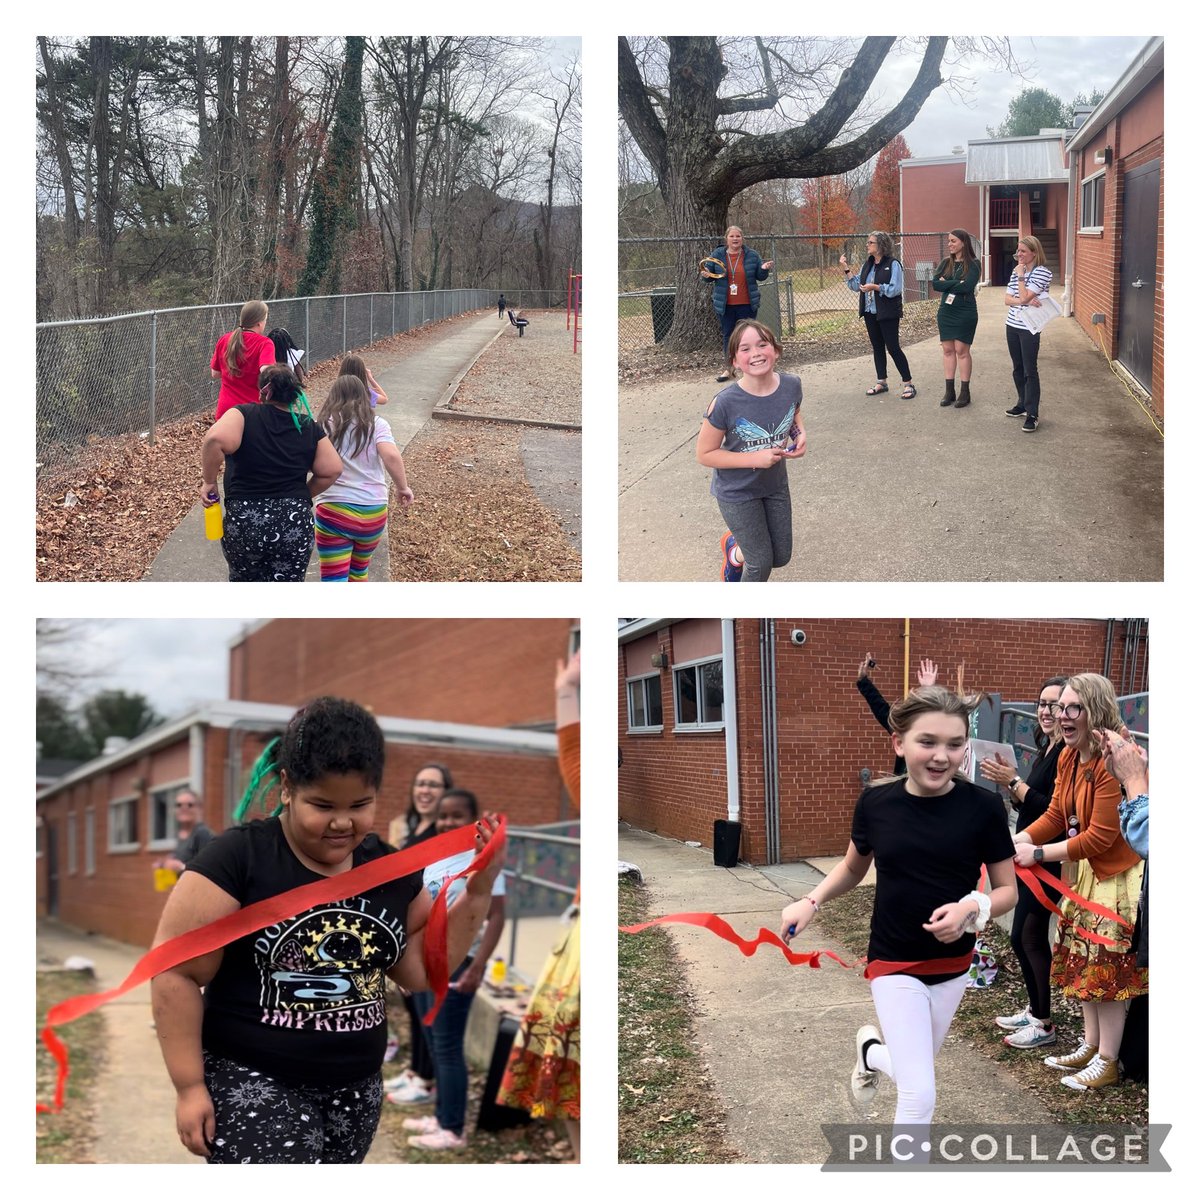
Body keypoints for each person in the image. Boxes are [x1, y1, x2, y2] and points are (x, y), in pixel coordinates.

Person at [149, 697, 504, 1163]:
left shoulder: (389, 866)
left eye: (360, 803)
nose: (343, 822)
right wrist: (189, 1086)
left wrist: (477, 893)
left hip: (355, 1090)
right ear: (287, 788)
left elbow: (417, 970)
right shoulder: (237, 860)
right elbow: (174, 972)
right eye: (323, 805)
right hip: (254, 1080)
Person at [781, 687, 1017, 1163]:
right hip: (893, 959)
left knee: (916, 1071)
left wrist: (972, 907)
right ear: (898, 744)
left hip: (953, 966)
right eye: (927, 742)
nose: (942, 756)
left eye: (954, 744)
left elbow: (1007, 891)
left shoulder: (984, 808)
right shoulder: (876, 805)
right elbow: (852, 868)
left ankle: (870, 1053)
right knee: (919, 1095)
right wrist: (811, 900)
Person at [1013, 673, 1147, 1090]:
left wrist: (1036, 853)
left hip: (1115, 877)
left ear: (1097, 710)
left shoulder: (1114, 758)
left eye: (1074, 708)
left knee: (1106, 970)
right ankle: (1091, 1046)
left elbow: (1102, 836)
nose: (1062, 717)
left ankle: (1108, 1060)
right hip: (1086, 873)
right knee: (1084, 962)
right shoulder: (1071, 754)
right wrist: (1019, 838)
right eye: (1059, 708)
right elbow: (1056, 814)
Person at [497, 650, 581, 1161]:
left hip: (582, 951)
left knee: (572, 1064)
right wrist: (566, 690)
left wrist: (567, 691)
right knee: (567, 1066)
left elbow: (574, 756)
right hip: (575, 950)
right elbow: (574, 756)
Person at [400, 789, 507, 1151]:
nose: (447, 822)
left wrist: (478, 967)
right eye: (443, 816)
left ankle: (453, 1128)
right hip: (427, 964)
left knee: (446, 1047)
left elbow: (496, 916)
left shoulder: (483, 857)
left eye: (456, 815)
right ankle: (441, 1115)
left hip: (459, 966)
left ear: (473, 819)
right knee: (432, 1040)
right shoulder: (435, 858)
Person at [979, 676, 1068, 1049]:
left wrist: (1014, 782)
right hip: (1027, 851)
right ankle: (1036, 1011)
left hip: (1046, 857)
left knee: (1028, 936)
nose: (1047, 711)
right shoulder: (1047, 746)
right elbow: (1033, 804)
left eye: (1056, 705)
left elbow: (1056, 811)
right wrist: (1013, 789)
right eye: (1043, 703)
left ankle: (1044, 1021)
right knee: (1022, 936)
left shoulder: (1067, 753)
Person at [200, 364, 343, 582]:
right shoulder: (308, 426)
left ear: (262, 391)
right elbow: (332, 470)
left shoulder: (243, 414)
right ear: (296, 393)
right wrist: (301, 494)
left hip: (245, 520)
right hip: (294, 522)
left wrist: (209, 482)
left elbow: (214, 440)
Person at [696, 319, 806, 583]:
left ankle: (736, 548)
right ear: (735, 361)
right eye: (745, 349)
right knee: (760, 565)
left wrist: (799, 434)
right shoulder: (725, 403)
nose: (755, 353)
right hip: (737, 492)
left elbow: (793, 413)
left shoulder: (792, 385)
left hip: (774, 485)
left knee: (780, 556)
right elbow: (705, 454)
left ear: (776, 351)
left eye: (762, 344)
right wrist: (755, 458)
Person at [384, 763, 454, 1106]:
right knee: (412, 1010)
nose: (425, 790)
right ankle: (415, 1071)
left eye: (434, 785)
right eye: (421, 783)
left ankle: (427, 1081)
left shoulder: (443, 836)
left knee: (426, 1012)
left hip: (426, 935)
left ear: (446, 793)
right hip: (405, 931)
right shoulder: (412, 829)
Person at [313, 376, 414, 583]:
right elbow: (391, 455)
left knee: (334, 578)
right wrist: (402, 487)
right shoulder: (377, 424)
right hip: (372, 511)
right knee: (358, 572)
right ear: (364, 396)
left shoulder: (322, 425)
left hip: (334, 510)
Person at [840, 233, 915, 399]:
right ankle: (882, 382)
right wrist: (846, 268)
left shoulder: (893, 264)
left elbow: (895, 289)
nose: (867, 245)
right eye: (868, 242)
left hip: (888, 313)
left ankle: (908, 384)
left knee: (893, 348)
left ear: (881, 245)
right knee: (877, 347)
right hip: (870, 313)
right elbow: (855, 285)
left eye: (871, 242)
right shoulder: (868, 265)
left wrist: (875, 287)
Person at [701, 226, 774, 382]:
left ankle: (752, 367)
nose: (735, 239)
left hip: (747, 303)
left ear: (742, 238)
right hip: (726, 305)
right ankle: (729, 368)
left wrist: (764, 269)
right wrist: (706, 275)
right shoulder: (717, 255)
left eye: (738, 236)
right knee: (729, 335)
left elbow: (760, 277)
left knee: (749, 337)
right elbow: (710, 277)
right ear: (726, 238)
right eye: (732, 236)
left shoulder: (752, 255)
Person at [856, 654, 938, 775]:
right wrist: (863, 681)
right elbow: (880, 707)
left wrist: (928, 690)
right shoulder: (904, 727)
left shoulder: (932, 728)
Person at [1003, 236, 1053, 432]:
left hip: (1029, 327)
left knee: (1029, 370)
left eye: (1023, 251)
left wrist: (1022, 281)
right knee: (1017, 367)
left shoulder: (1042, 273)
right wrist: (1023, 300)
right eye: (1018, 251)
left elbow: (1023, 296)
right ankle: (1022, 404)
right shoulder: (1017, 271)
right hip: (1012, 324)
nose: (1019, 254)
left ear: (1034, 252)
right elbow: (1007, 300)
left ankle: (1033, 413)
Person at [931, 230, 981, 409]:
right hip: (946, 311)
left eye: (953, 241)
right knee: (947, 349)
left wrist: (949, 282)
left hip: (965, 311)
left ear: (963, 243)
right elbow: (936, 284)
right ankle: (949, 391)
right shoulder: (946, 263)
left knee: (962, 350)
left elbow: (968, 286)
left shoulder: (974, 264)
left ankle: (965, 392)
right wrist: (956, 283)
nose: (949, 244)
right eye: (948, 241)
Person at [211, 301, 278, 421]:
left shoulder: (225, 339)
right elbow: (267, 372)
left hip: (225, 412)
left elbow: (215, 373)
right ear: (259, 323)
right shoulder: (265, 343)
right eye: (265, 320)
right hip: (251, 413)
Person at [155, 790, 216, 876]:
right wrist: (163, 864)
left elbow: (210, 869)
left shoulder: (203, 833)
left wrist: (181, 867)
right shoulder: (181, 834)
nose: (184, 808)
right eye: (179, 805)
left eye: (190, 805)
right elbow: (185, 858)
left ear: (199, 809)